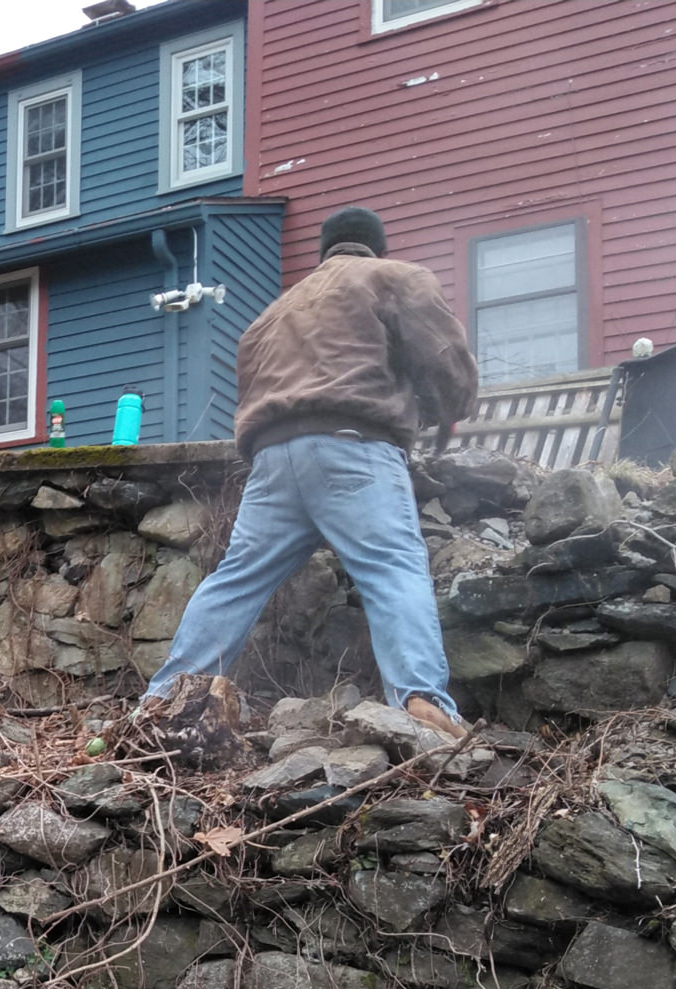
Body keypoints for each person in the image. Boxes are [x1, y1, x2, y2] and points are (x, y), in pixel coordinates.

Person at [140, 205, 478, 736]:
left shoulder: (272, 313)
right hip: (355, 444)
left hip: (272, 457)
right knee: (392, 567)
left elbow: (251, 389)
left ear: (324, 252)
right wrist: (446, 407)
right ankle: (421, 701)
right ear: (376, 247)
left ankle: (163, 700)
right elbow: (443, 358)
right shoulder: (395, 277)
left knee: (236, 580)